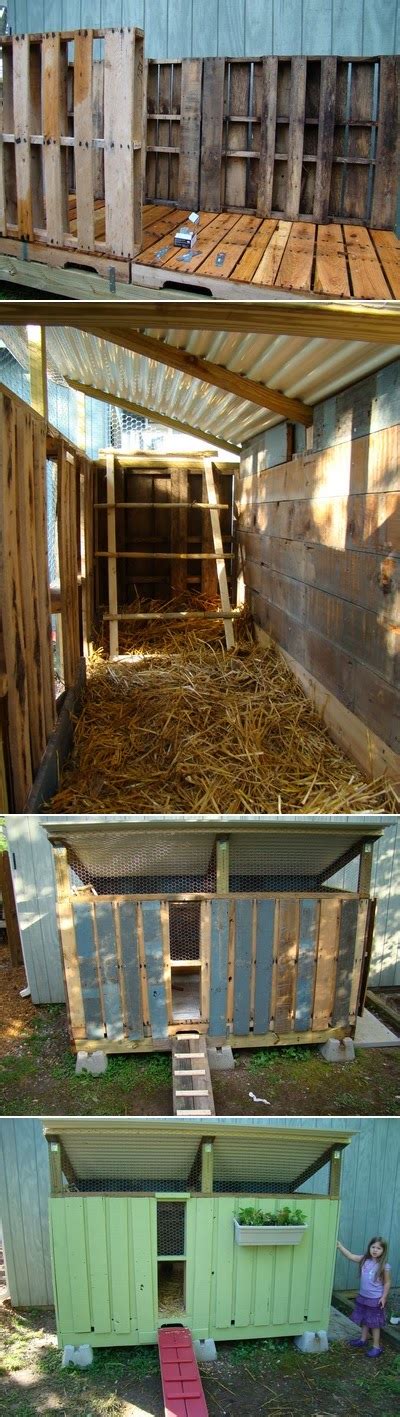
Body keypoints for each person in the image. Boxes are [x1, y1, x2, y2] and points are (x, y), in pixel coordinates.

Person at [337, 1236, 391, 1358]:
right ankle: (363, 1339)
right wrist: (340, 1247)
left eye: (378, 1248)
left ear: (383, 1250)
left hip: (375, 1299)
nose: (375, 1250)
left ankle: (376, 1347)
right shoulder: (364, 1260)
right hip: (363, 1297)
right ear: (369, 1247)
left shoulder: (384, 1266)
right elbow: (350, 1256)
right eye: (373, 1247)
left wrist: (384, 1297)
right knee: (365, 1320)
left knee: (374, 1324)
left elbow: (387, 1282)